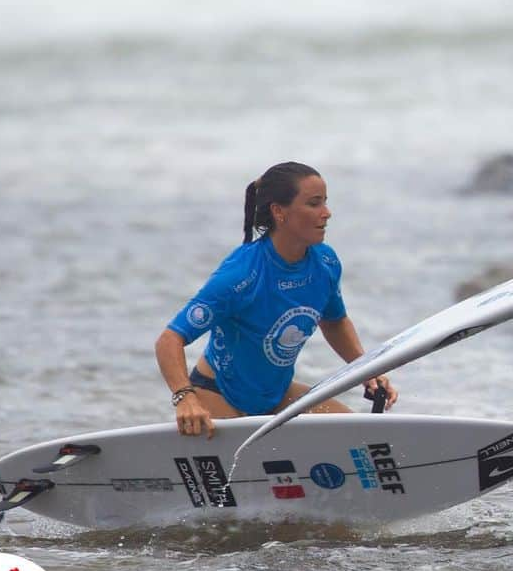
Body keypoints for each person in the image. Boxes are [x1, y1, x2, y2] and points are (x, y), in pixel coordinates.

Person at [155, 161, 397, 438]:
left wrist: (366, 369)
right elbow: (169, 340)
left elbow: (334, 322)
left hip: (278, 395)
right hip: (219, 394)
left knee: (364, 439)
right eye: (314, 204)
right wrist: (184, 398)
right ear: (279, 212)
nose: (327, 213)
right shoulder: (241, 275)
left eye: (325, 203)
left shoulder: (325, 262)